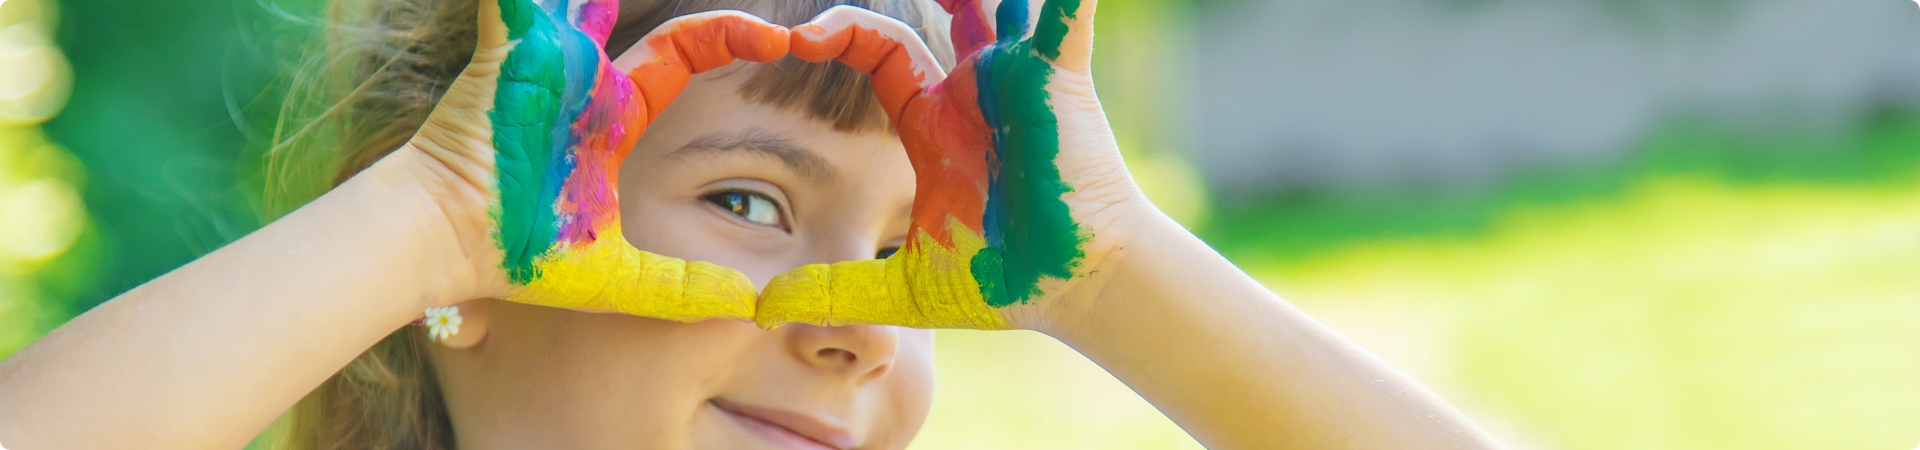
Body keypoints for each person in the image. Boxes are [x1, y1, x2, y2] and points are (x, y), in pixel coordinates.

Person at [0, 0, 1502, 448]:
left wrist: (1113, 274)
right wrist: (427, 220)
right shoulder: (441, 226)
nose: (858, 329)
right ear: (467, 271)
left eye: (908, 251)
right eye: (747, 200)